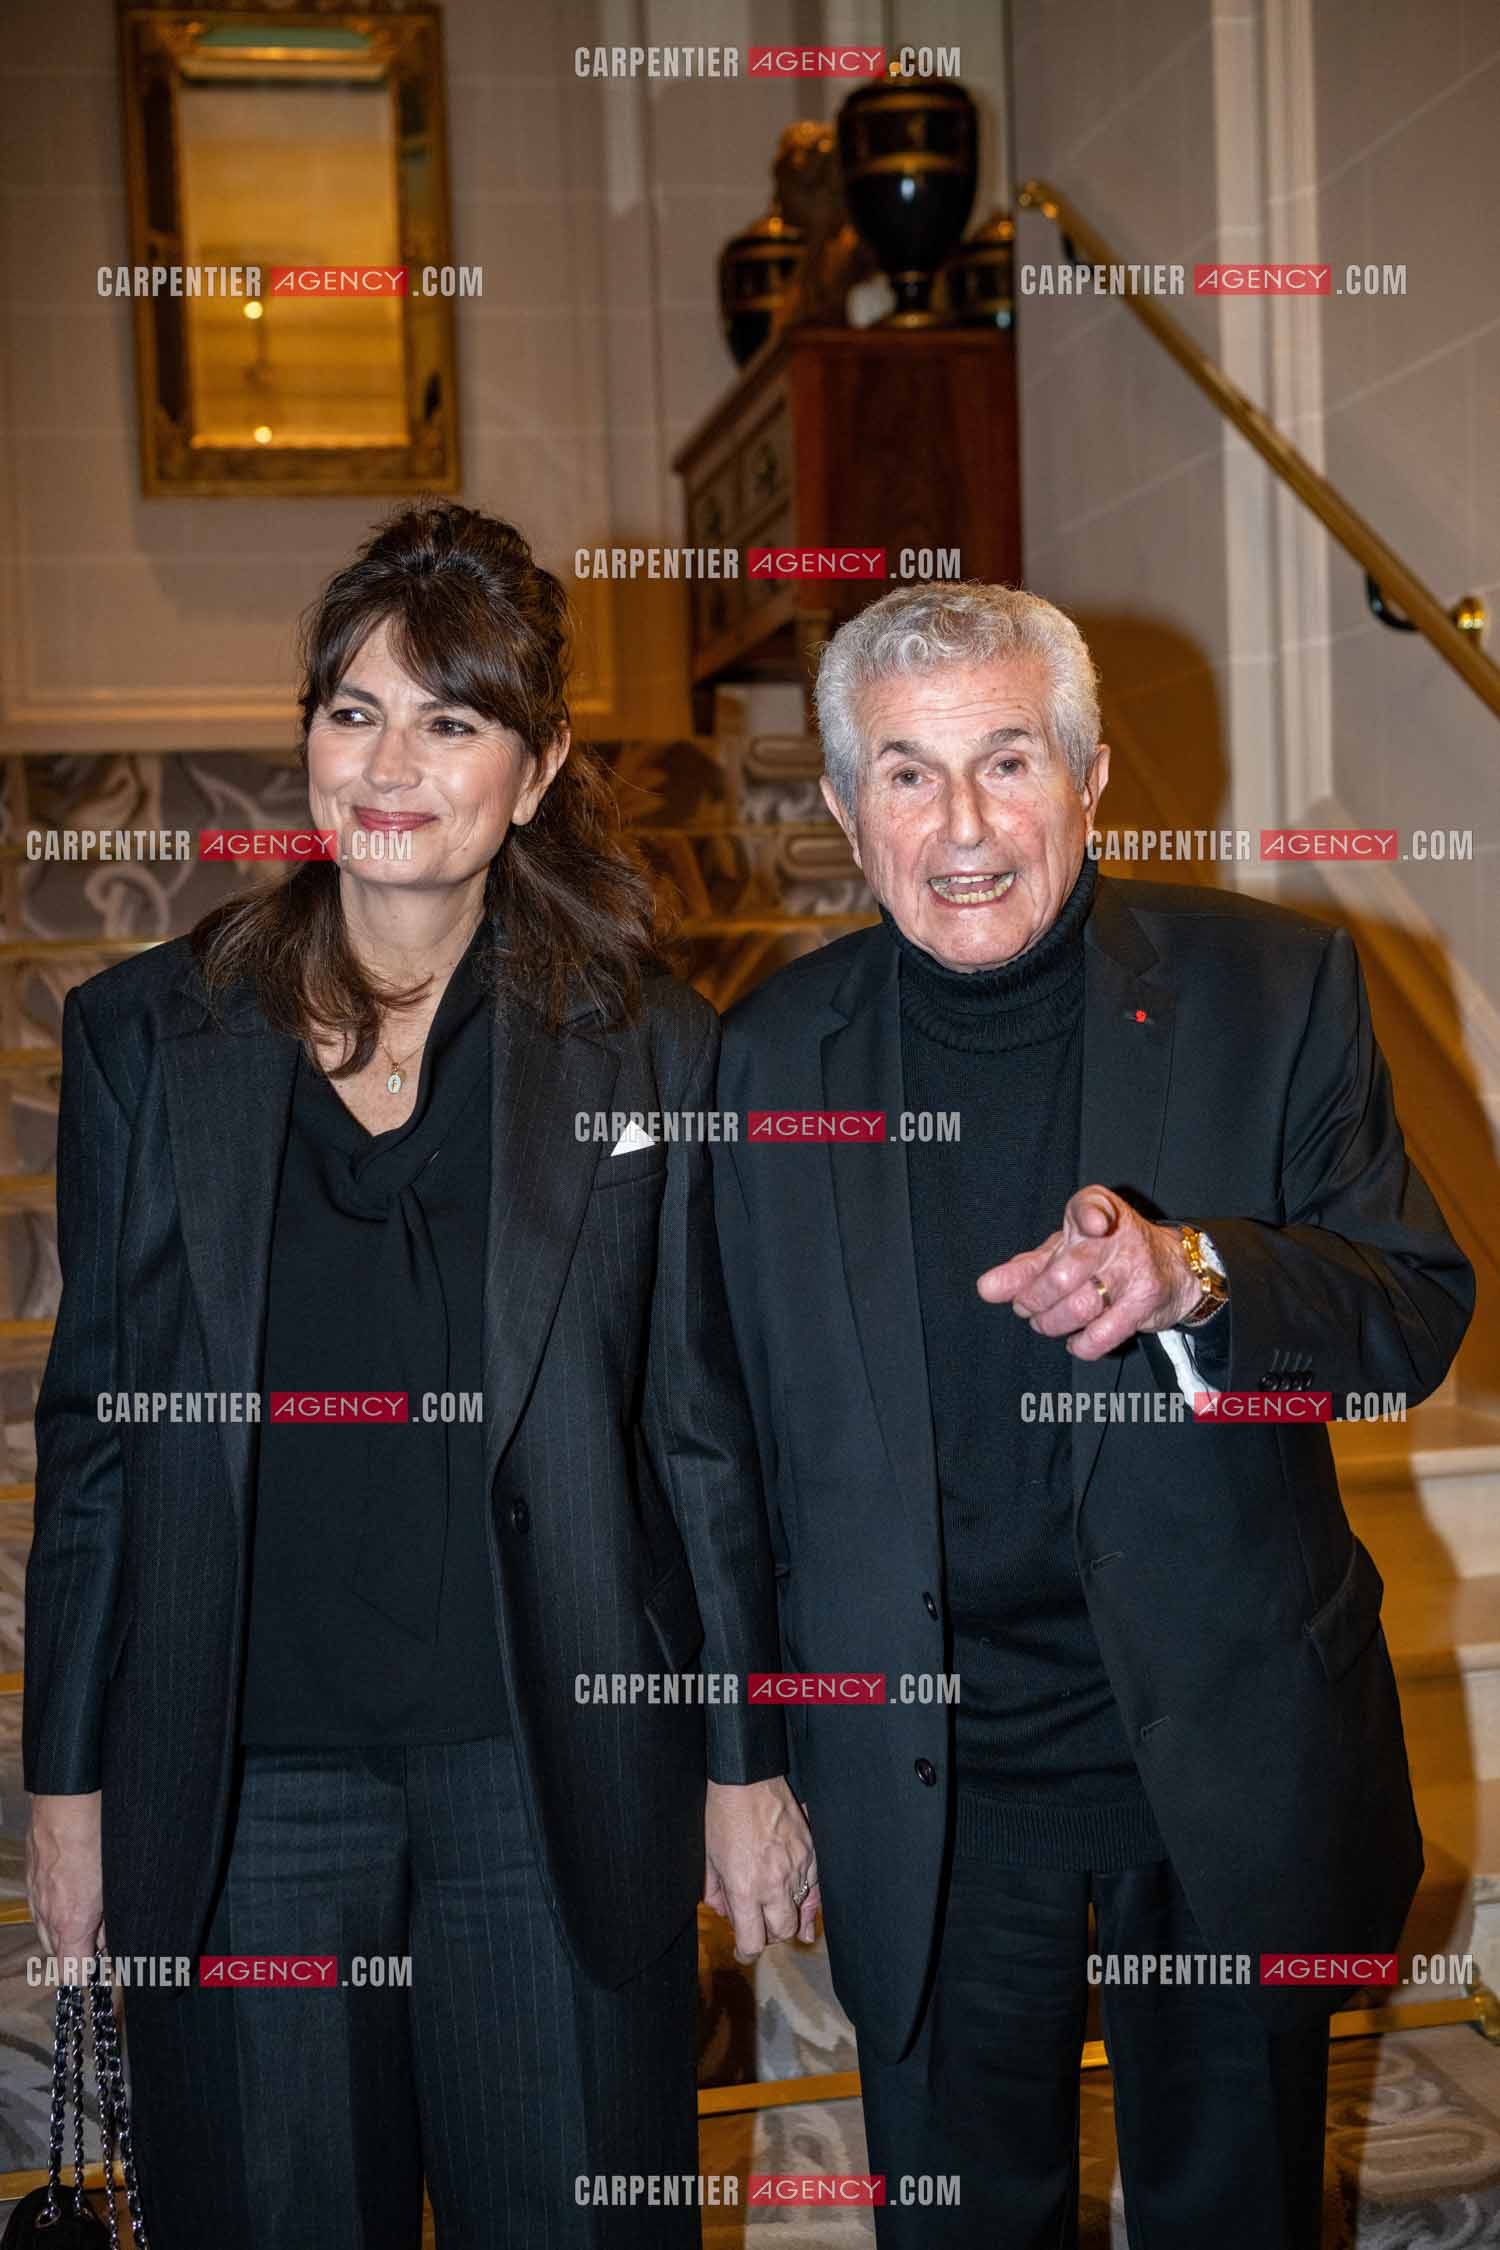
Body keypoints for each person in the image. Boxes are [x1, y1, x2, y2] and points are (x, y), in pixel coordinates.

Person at [23, 499, 816, 2249]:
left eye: (450, 719)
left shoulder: (644, 1043)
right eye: (354, 710)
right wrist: (66, 1788)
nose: (391, 764)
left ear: (530, 776)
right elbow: (93, 1437)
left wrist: (745, 1762)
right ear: (306, 740)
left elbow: (699, 1430)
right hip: (241, 1788)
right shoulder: (150, 1037)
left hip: (544, 1783)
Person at [710, 579, 1475, 2249]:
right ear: (844, 809)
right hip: (935, 1778)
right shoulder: (767, 1058)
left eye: (1007, 761)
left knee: (1236, 2214)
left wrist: (1204, 1278)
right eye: (906, 775)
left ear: (1092, 775)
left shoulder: (1279, 989)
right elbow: (721, 1439)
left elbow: (1413, 1319)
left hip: (1216, 1756)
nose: (965, 825)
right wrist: (743, 1755)